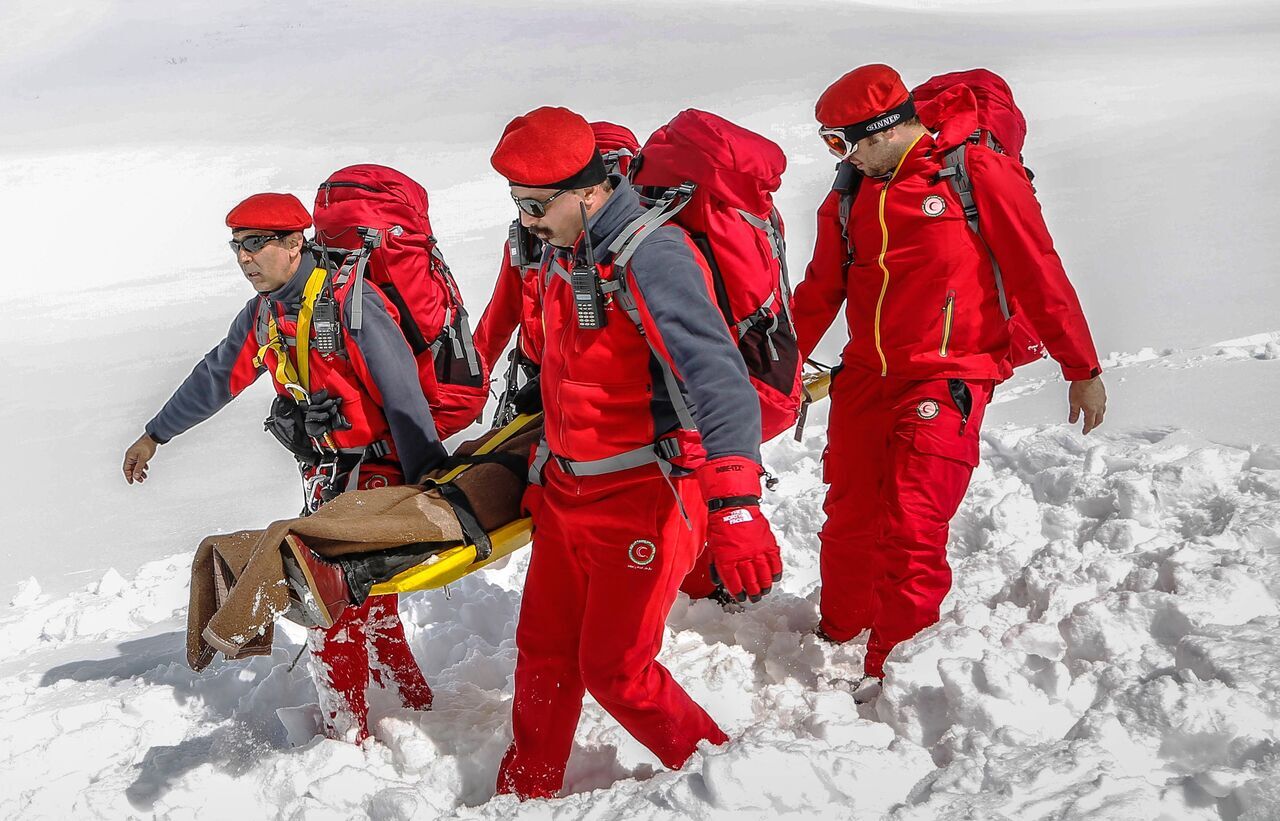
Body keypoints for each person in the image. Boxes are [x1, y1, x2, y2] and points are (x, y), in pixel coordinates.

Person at [488, 106, 784, 799]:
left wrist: (737, 502)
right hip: (568, 496)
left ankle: (729, 780)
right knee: (543, 656)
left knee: (616, 668)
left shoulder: (652, 255)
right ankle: (522, 795)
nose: (526, 221)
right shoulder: (568, 250)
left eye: (535, 204)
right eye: (517, 203)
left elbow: (717, 378)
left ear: (588, 191)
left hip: (644, 496)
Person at [792, 64, 1108, 685]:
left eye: (843, 141)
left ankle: (891, 673)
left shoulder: (973, 173)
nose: (841, 156)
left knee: (913, 523)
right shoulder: (852, 188)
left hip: (947, 376)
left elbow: (1037, 269)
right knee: (850, 510)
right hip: (866, 374)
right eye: (831, 144)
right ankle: (839, 629)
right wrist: (771, 370)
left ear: (885, 129)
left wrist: (1082, 366)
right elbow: (821, 287)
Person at [121, 192, 446, 742]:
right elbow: (216, 377)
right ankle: (414, 703)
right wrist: (156, 433)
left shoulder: (351, 304)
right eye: (237, 247)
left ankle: (348, 736)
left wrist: (429, 488)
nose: (245, 259)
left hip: (377, 474)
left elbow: (403, 398)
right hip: (328, 474)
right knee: (367, 599)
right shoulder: (265, 313)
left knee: (328, 607)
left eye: (256, 244)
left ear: (296, 243)